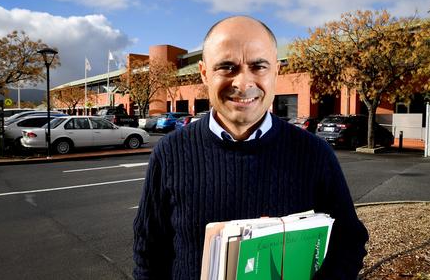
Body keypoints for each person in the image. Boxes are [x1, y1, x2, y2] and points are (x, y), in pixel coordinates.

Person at [133, 16, 368, 279]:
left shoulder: (315, 154)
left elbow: (348, 243)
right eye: (227, 67)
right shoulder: (170, 152)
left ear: (276, 71)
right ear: (204, 73)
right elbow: (148, 252)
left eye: (258, 66)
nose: (243, 83)